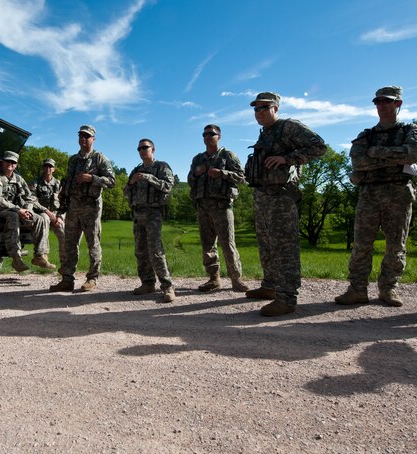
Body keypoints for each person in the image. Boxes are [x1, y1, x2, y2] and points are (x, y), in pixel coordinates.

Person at [335, 86, 417, 307]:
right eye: (378, 102)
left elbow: (412, 154)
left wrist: (375, 153)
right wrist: (394, 156)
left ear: (398, 104)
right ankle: (357, 289)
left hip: (398, 192)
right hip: (369, 193)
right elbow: (358, 162)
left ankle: (388, 289)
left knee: (396, 245)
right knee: (361, 245)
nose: (382, 106)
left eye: (387, 101)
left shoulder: (411, 130)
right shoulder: (367, 135)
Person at [245, 92, 326, 316]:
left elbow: (319, 147)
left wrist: (287, 158)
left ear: (276, 109)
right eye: (256, 109)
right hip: (263, 195)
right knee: (266, 245)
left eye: (264, 108)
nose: (259, 112)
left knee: (284, 247)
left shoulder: (289, 127)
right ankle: (270, 286)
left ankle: (287, 298)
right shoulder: (266, 133)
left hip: (281, 197)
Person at [50, 125, 115, 292]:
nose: (83, 139)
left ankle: (92, 279)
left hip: (91, 208)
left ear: (93, 139)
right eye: (81, 136)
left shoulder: (99, 158)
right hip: (72, 207)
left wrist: (91, 178)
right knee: (69, 244)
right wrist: (64, 192)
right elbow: (69, 180)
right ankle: (67, 279)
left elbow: (111, 181)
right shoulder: (73, 159)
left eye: (87, 136)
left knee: (93, 243)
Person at [187, 124, 248, 293]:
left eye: (211, 134)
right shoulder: (198, 159)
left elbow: (242, 177)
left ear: (218, 136)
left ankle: (236, 280)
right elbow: (190, 179)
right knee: (207, 246)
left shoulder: (227, 155)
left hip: (222, 206)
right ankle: (214, 279)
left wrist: (222, 173)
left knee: (228, 244)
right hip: (203, 206)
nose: (207, 137)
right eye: (204, 134)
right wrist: (196, 173)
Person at [0, 151, 56, 272]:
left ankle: (40, 256)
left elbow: (29, 197)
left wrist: (28, 210)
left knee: (41, 218)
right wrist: (18, 210)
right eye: (8, 161)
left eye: (13, 162)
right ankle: (16, 258)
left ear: (16, 165)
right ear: (2, 162)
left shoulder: (18, 178)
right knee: (13, 216)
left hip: (16, 210)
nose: (10, 164)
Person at [125, 139, 176, 302]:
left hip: (153, 214)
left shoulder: (162, 167)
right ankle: (147, 283)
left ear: (153, 149)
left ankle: (167, 286)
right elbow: (126, 192)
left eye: (144, 147)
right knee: (140, 251)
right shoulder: (136, 170)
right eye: (139, 148)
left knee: (155, 250)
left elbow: (168, 186)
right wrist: (131, 182)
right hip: (137, 213)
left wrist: (148, 177)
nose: (141, 150)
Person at [29, 158, 65, 247]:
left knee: (65, 236)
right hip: (41, 213)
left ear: (54, 169)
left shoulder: (58, 183)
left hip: (56, 215)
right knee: (44, 223)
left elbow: (63, 201)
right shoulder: (35, 182)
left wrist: (60, 216)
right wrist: (47, 212)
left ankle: (66, 260)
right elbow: (31, 200)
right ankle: (42, 257)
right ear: (43, 168)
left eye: (50, 166)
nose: (48, 168)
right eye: (46, 166)